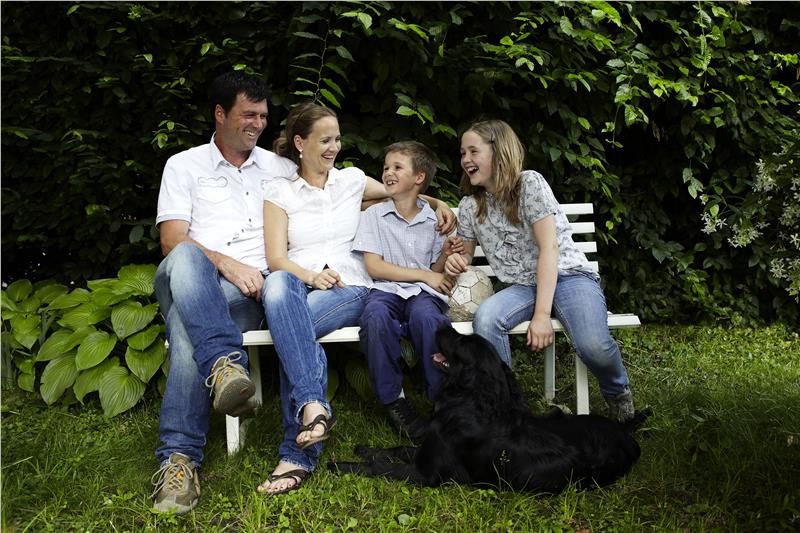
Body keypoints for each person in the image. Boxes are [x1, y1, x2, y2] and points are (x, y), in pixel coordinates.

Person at [257, 103, 456, 495]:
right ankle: (313, 412)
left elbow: (405, 191)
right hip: (298, 282)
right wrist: (311, 276)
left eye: (337, 139)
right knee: (278, 285)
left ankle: (296, 455)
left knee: (290, 332)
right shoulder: (279, 191)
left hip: (348, 287)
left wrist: (439, 203)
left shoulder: (351, 180)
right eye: (325, 140)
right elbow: (276, 259)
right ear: (300, 143)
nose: (334, 147)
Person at [151, 71, 296, 514]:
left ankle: (179, 460)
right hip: (197, 278)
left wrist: (430, 200)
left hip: (249, 295)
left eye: (263, 116)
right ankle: (224, 364)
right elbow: (172, 240)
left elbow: (341, 191)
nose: (258, 124)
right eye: (248, 114)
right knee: (186, 255)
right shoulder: (184, 165)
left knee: (186, 325)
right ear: (220, 113)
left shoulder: (280, 168)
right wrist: (228, 264)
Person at [444, 119, 637, 422]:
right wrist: (456, 259)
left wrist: (542, 316)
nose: (465, 159)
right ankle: (508, 410)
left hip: (568, 276)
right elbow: (465, 255)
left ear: (499, 151)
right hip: (523, 287)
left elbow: (549, 249)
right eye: (462, 153)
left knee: (593, 345)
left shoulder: (529, 184)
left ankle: (617, 392)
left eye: (473, 151)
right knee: (487, 318)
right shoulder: (470, 205)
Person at [353, 141, 463, 441]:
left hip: (422, 294)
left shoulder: (435, 221)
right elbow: (374, 267)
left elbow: (436, 271)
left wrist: (445, 256)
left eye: (397, 167)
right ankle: (394, 401)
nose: (388, 172)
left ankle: (442, 400)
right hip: (385, 289)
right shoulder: (374, 216)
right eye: (386, 167)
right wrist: (426, 274)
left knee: (429, 320)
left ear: (419, 177)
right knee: (375, 317)